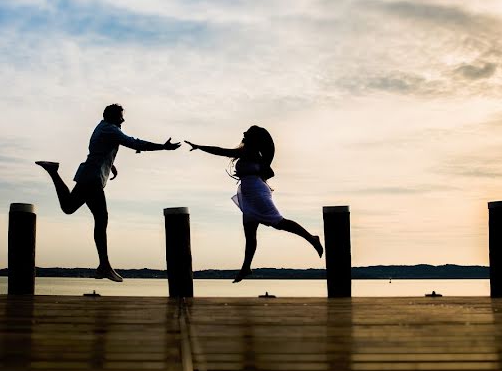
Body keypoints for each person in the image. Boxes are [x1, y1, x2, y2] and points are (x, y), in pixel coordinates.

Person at [36, 104, 180, 282]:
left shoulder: (102, 128)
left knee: (69, 207)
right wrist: (163, 147)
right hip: (93, 178)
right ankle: (104, 266)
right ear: (113, 117)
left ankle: (53, 171)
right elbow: (133, 142)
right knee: (101, 218)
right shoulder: (111, 130)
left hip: (89, 175)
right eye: (121, 116)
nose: (123, 120)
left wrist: (111, 164)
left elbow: (99, 150)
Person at [185, 126, 323, 282]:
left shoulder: (249, 152)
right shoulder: (250, 153)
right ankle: (246, 268)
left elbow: (221, 151)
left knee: (278, 222)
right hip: (248, 193)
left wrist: (199, 147)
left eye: (248, 135)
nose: (244, 136)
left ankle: (312, 238)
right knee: (250, 233)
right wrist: (199, 147)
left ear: (253, 139)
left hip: (257, 192)